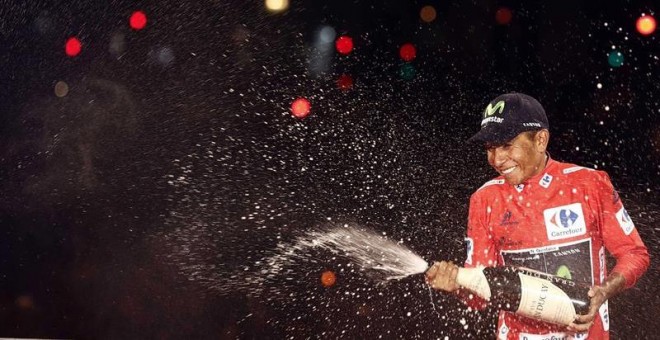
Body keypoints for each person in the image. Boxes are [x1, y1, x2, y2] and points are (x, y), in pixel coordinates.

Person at [425, 93, 650, 339]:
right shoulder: (484, 199)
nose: (497, 159)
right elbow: (481, 295)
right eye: (490, 148)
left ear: (541, 140)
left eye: (506, 145)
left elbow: (634, 254)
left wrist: (603, 292)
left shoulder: (590, 184)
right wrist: (456, 285)